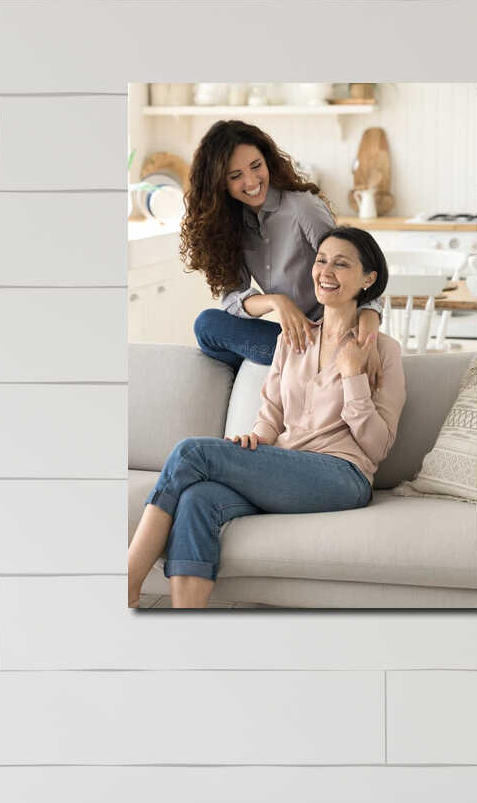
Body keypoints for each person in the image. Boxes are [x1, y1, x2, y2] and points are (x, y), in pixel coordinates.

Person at [129, 228, 405, 609]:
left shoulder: (383, 352)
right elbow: (271, 415)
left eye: (341, 264)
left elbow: (378, 447)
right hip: (286, 468)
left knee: (191, 453)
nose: (326, 270)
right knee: (198, 498)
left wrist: (354, 376)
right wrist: (255, 440)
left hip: (343, 476)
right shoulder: (291, 340)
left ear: (368, 279)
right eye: (321, 260)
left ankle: (129, 579)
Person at [178, 119, 384, 371]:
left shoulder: (302, 208)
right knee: (209, 325)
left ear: (268, 162)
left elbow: (354, 268)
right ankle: (298, 366)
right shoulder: (229, 226)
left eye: (256, 166)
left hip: (332, 335)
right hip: (297, 337)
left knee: (209, 329)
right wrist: (276, 302)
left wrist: (368, 334)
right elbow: (233, 297)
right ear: (220, 182)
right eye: (236, 176)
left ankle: (312, 363)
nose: (252, 181)